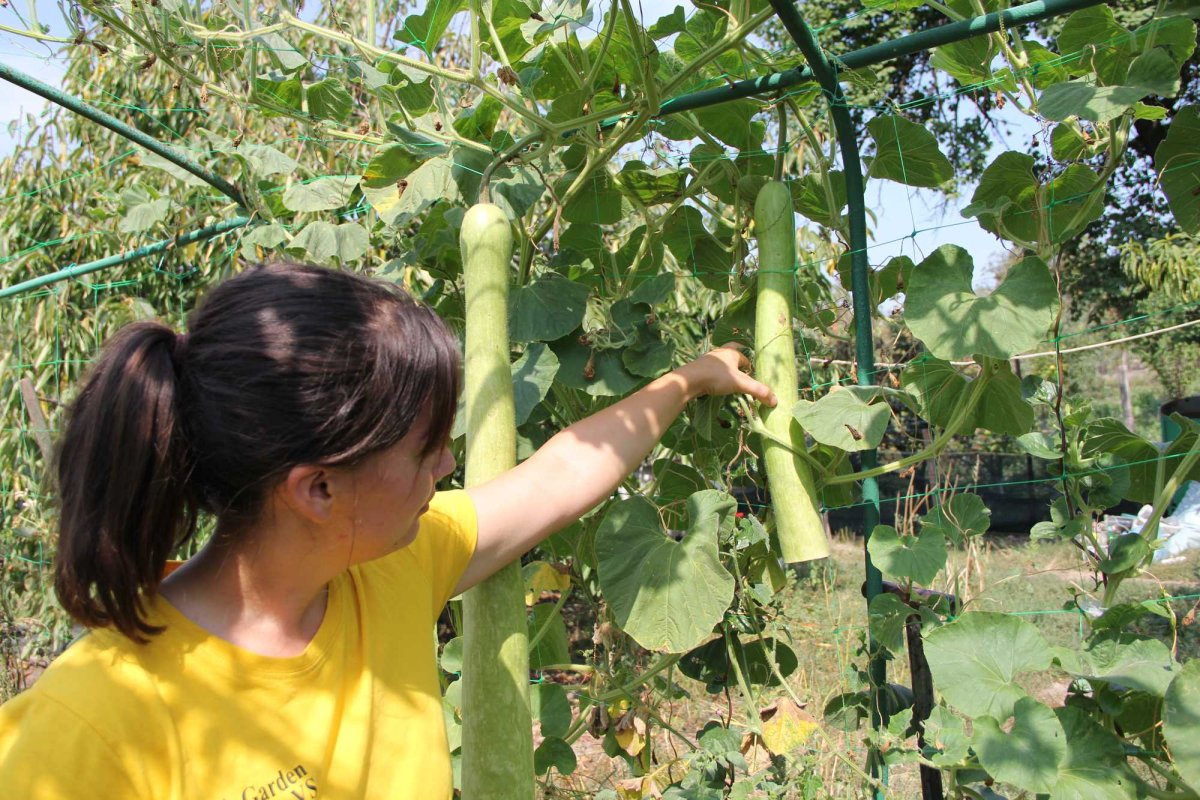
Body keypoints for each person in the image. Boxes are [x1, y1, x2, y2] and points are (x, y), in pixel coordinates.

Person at [0, 261, 774, 798]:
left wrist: (690, 379)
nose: (446, 464)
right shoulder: (87, 726)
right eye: (424, 447)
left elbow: (560, 477)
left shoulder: (389, 565)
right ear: (321, 488)